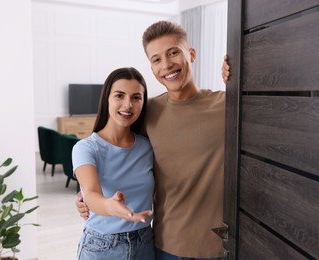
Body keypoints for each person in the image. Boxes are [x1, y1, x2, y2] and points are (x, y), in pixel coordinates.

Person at [77, 20, 226, 260]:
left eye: (173, 53)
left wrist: (240, 75)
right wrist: (90, 198)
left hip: (218, 248)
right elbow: (116, 151)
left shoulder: (226, 106)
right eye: (156, 59)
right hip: (164, 245)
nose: (166, 64)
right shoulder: (147, 112)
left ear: (191, 54)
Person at [73, 67, 155, 260]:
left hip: (145, 242)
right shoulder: (86, 148)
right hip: (102, 246)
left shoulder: (148, 147)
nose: (128, 105)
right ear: (107, 98)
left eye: (136, 97)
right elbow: (91, 193)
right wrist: (110, 207)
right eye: (119, 95)